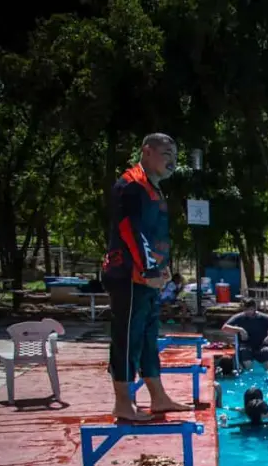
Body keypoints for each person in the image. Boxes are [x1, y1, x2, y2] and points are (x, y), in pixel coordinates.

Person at [101, 132, 192, 421]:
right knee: (127, 338)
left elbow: (155, 235)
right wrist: (148, 271)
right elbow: (132, 232)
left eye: (175, 156)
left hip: (149, 278)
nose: (172, 161)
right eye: (166, 154)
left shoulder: (153, 188)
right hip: (129, 276)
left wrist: (163, 268)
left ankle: (158, 396)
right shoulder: (131, 185)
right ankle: (123, 404)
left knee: (149, 337)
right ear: (147, 151)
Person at [223, 300, 268, 371]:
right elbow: (224, 328)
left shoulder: (263, 317)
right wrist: (240, 329)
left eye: (250, 309)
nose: (248, 312)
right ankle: (249, 376)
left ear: (255, 309)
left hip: (262, 345)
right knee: (245, 356)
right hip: (246, 346)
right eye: (246, 309)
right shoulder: (239, 317)